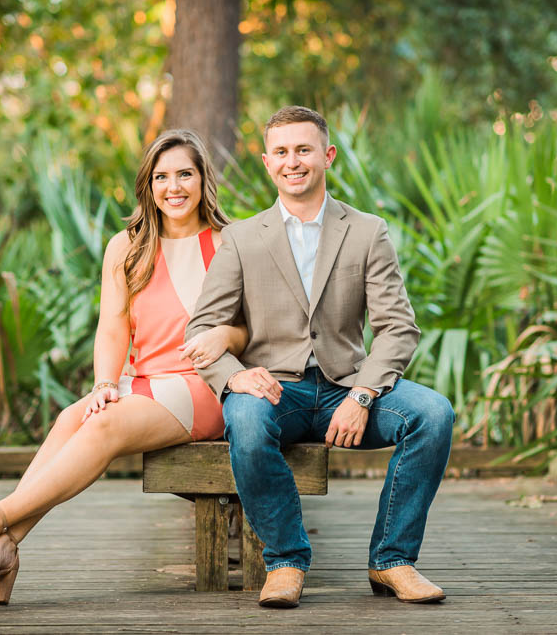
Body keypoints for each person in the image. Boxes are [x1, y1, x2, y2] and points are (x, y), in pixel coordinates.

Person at [0, 129, 245, 605]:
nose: (174, 187)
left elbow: (249, 330)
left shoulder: (230, 244)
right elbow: (113, 327)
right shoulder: (128, 245)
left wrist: (223, 338)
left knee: (103, 427)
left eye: (186, 174)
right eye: (162, 177)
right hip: (145, 381)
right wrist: (105, 381)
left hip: (204, 385)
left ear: (204, 179)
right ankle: (3, 547)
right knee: (71, 417)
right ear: (148, 184)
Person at [185, 106, 455, 609]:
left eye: (304, 149)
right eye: (282, 152)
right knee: (243, 421)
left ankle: (392, 559)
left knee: (433, 415)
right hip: (273, 389)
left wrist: (363, 393)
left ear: (327, 155)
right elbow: (202, 328)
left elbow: (398, 328)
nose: (294, 161)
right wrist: (233, 378)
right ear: (267, 163)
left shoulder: (367, 231)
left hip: (345, 387)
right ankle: (286, 560)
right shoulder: (241, 238)